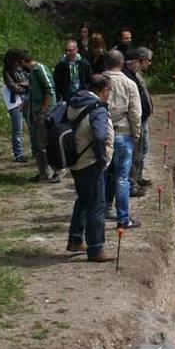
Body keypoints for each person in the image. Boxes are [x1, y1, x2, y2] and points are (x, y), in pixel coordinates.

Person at [65, 75, 114, 262]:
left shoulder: (75, 102)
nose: (109, 95)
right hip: (90, 163)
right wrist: (102, 159)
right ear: (103, 90)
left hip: (75, 160)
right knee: (97, 205)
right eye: (109, 91)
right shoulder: (98, 108)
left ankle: (75, 239)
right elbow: (101, 136)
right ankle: (96, 249)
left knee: (84, 200)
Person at [101, 50, 143, 230]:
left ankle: (102, 211)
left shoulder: (98, 81)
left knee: (104, 175)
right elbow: (135, 112)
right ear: (122, 63)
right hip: (123, 133)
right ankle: (123, 218)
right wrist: (136, 133)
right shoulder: (129, 83)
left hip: (102, 132)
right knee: (122, 178)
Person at [22, 51, 58, 182]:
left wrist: (43, 112)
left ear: (23, 62)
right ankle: (43, 172)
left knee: (44, 144)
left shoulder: (39, 69)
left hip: (44, 114)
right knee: (38, 144)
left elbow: (49, 91)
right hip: (35, 113)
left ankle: (52, 172)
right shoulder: (31, 72)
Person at [125, 47, 154, 192]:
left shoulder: (135, 75)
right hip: (136, 120)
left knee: (143, 149)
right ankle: (132, 183)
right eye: (146, 61)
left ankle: (138, 178)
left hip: (142, 118)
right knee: (136, 152)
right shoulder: (128, 77)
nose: (148, 63)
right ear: (135, 62)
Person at [1, 50, 30, 163]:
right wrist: (25, 86)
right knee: (18, 128)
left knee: (31, 124)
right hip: (15, 100)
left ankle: (34, 151)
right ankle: (19, 154)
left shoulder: (24, 68)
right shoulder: (7, 72)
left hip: (27, 98)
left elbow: (31, 82)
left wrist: (24, 85)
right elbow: (13, 87)